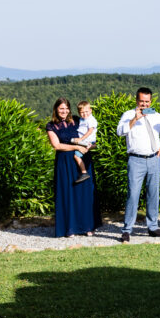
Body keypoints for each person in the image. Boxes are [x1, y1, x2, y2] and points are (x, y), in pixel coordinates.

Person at [115, 87, 160, 242]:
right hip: (136, 160)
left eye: (147, 102)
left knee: (153, 193)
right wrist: (135, 118)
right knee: (133, 195)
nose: (144, 104)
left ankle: (152, 227)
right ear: (136, 100)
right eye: (142, 101)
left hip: (154, 158)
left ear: (151, 101)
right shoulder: (128, 115)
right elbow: (120, 131)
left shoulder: (157, 115)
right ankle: (127, 230)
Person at [45, 98, 100, 237]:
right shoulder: (51, 125)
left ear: (70, 109)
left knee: (85, 194)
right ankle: (70, 228)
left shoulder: (78, 119)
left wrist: (90, 146)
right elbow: (56, 145)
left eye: (66, 108)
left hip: (83, 159)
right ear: (56, 109)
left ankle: (88, 226)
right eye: (61, 109)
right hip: (65, 162)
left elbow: (92, 135)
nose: (64, 111)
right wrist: (76, 146)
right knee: (68, 194)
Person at [69, 100, 97, 184]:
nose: (85, 114)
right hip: (84, 141)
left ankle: (84, 172)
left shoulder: (91, 120)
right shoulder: (82, 119)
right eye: (82, 112)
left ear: (91, 110)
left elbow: (90, 131)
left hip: (87, 141)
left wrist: (81, 139)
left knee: (76, 156)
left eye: (86, 112)